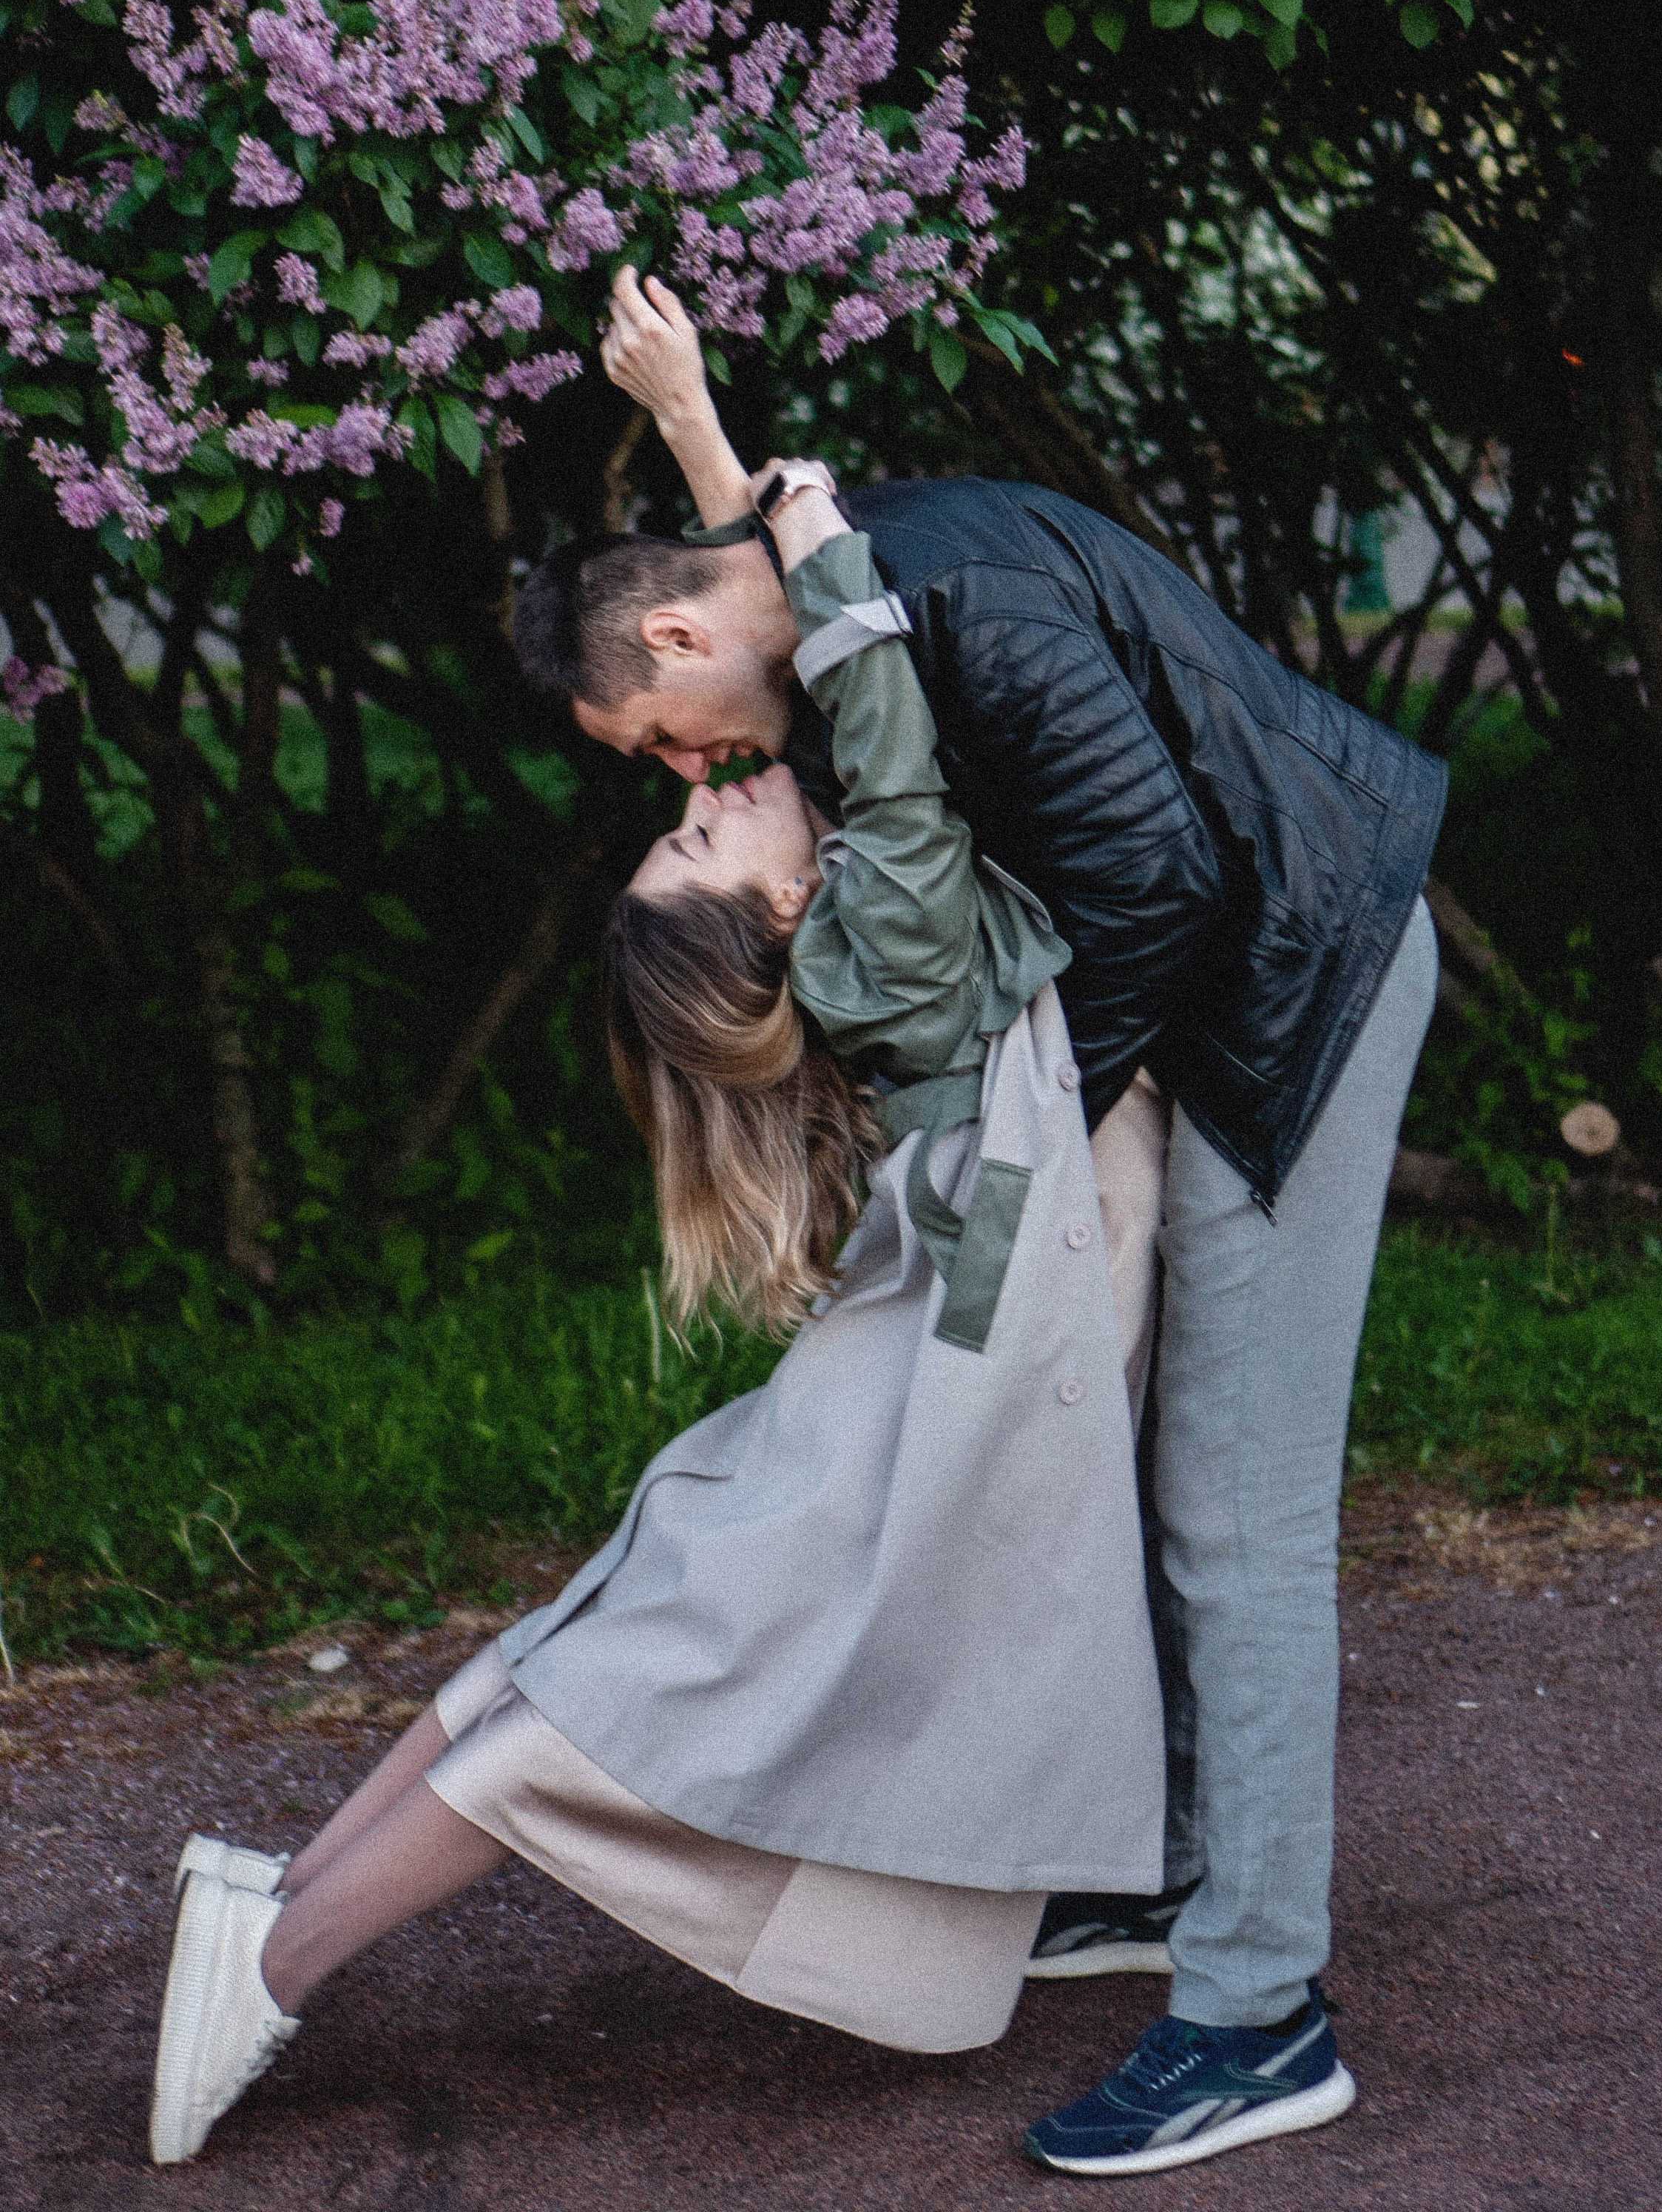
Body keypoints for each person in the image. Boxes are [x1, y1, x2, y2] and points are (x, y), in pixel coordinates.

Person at [509, 272, 1447, 2176]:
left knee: (1232, 1518)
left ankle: (1261, 2012)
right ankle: (1191, 1876)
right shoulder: (831, 593)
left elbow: (1161, 888)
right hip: (1214, 1002)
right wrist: (692, 417)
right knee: (1145, 1481)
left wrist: (998, 1174)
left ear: (683, 638)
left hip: (1295, 991)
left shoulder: (953, 601)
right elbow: (791, 573)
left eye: (656, 741)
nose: (683, 777)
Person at [149, 434, 1169, 2167]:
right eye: (696, 825)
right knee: (670, 1642)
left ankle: (284, 1900)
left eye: (685, 800)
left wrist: (728, 481)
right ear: (784, 902)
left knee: (659, 1603)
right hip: (972, 1331)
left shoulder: (850, 909)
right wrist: (803, 513)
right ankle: (285, 1934)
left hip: (941, 1324)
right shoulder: (883, 906)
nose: (701, 790)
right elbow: (868, 709)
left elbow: (736, 641)